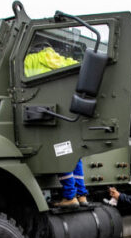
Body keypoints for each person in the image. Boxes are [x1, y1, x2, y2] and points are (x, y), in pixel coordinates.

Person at [23, 44, 88, 208]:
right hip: (67, 114)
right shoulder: (62, 60)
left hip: (44, 115)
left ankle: (70, 196)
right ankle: (81, 196)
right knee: (74, 156)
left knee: (61, 154)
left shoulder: (29, 60)